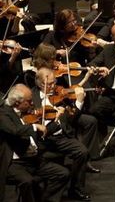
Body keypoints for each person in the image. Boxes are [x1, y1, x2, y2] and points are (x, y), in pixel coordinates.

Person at [31, 68, 94, 201]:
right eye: (50, 84)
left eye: (55, 82)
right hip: (43, 139)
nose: (54, 86)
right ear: (40, 84)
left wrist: (79, 102)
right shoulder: (32, 96)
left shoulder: (61, 95)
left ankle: (76, 189)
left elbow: (72, 119)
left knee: (82, 152)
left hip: (61, 136)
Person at [0, 84, 70, 202]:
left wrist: (56, 120)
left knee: (63, 174)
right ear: (17, 103)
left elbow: (43, 131)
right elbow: (15, 130)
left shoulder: (27, 112)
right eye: (29, 101)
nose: (32, 104)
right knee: (27, 181)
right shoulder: (3, 114)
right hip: (15, 162)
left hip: (32, 159)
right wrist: (34, 126)